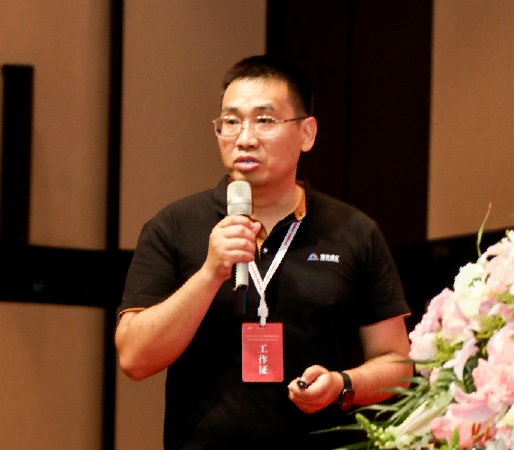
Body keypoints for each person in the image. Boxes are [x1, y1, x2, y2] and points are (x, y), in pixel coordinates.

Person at [115, 55, 412, 449]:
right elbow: (134, 358)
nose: (244, 138)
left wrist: (343, 385)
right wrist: (209, 274)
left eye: (264, 120)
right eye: (231, 121)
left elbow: (398, 365)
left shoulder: (355, 233)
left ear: (307, 133)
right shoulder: (172, 226)